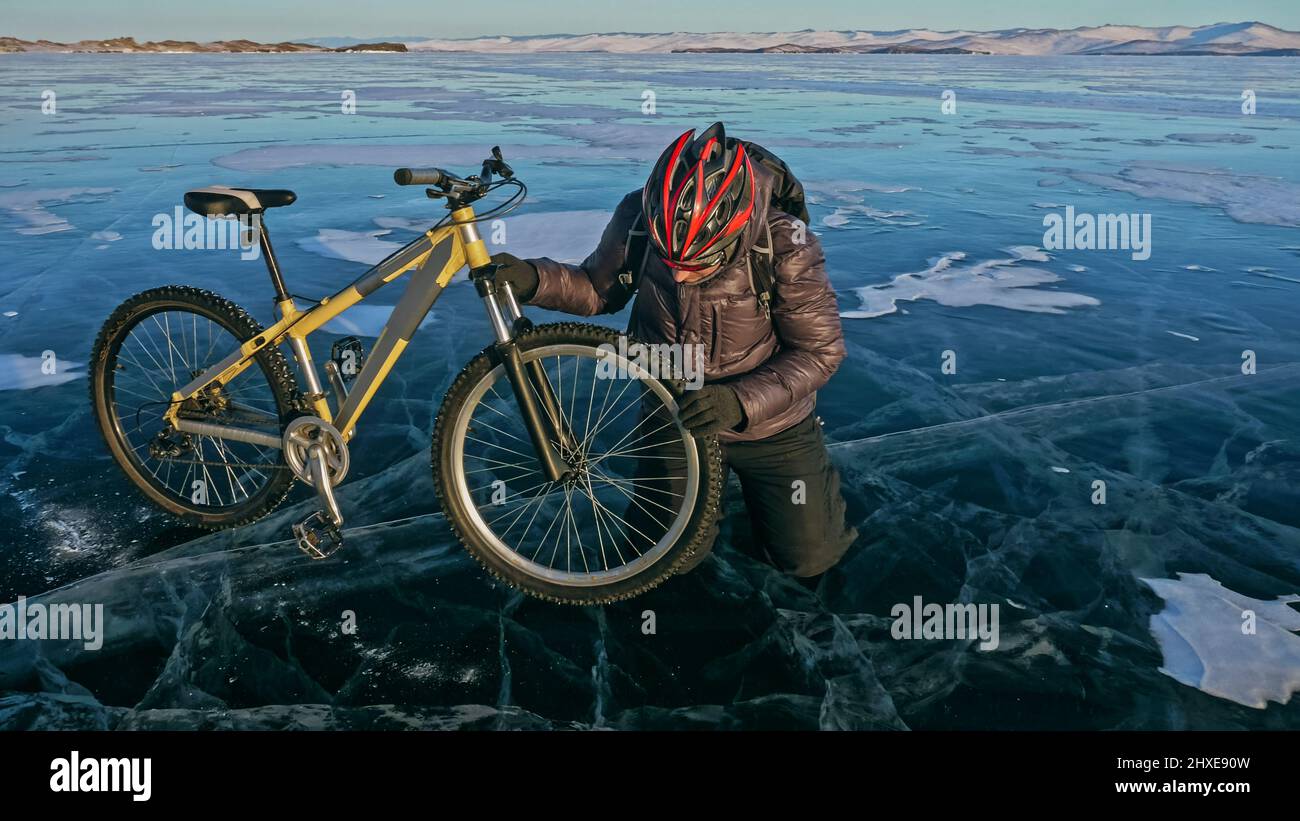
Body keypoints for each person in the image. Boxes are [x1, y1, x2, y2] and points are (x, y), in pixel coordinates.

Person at [490, 122, 856, 586]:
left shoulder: (784, 242)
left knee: (807, 559)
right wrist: (536, 280)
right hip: (674, 414)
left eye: (698, 263)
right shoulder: (640, 217)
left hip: (772, 426)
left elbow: (820, 352)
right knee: (666, 561)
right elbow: (600, 290)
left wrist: (738, 402)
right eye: (670, 261)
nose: (680, 278)